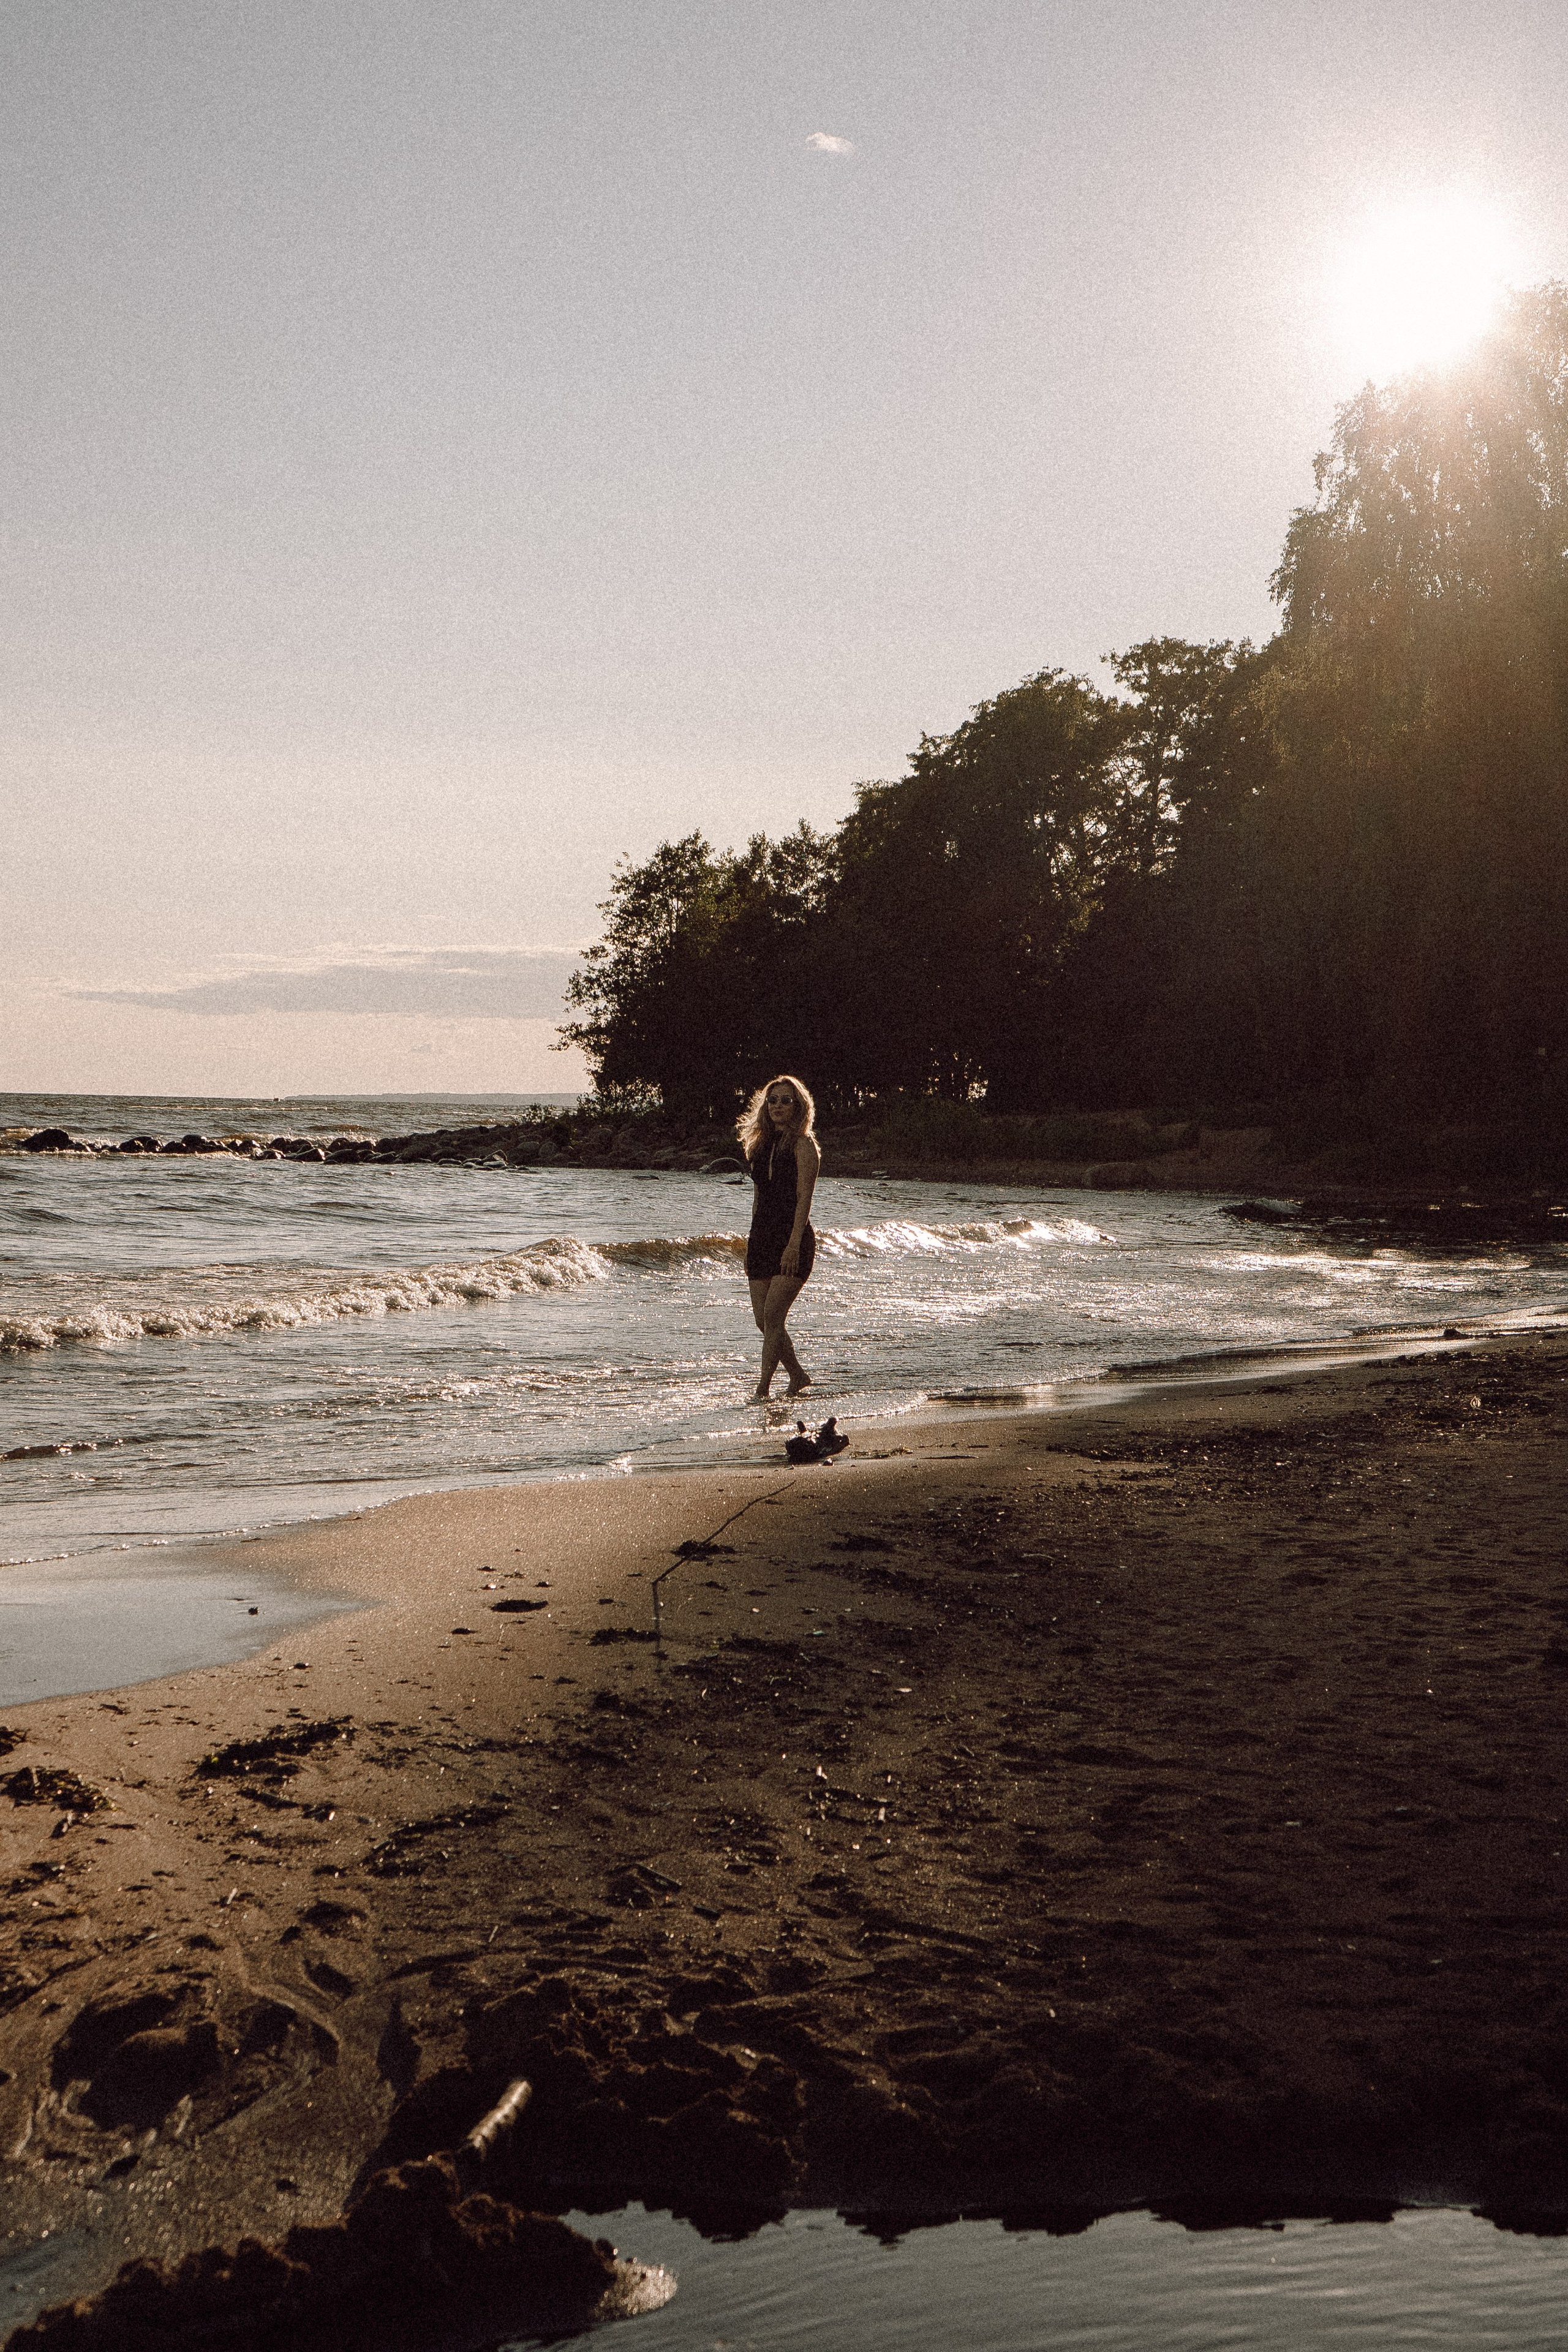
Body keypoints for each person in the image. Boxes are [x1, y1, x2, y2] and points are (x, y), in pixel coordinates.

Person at [738, 1074, 820, 1401]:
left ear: (799, 1107)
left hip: (793, 1239)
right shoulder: (760, 1145)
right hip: (761, 1238)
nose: (778, 1106)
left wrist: (793, 1245)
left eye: (786, 1101)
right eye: (773, 1100)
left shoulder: (804, 1145)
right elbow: (758, 1198)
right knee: (763, 1320)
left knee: (774, 1316)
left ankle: (762, 1390)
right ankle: (798, 1375)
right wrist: (750, 1241)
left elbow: (805, 1198)